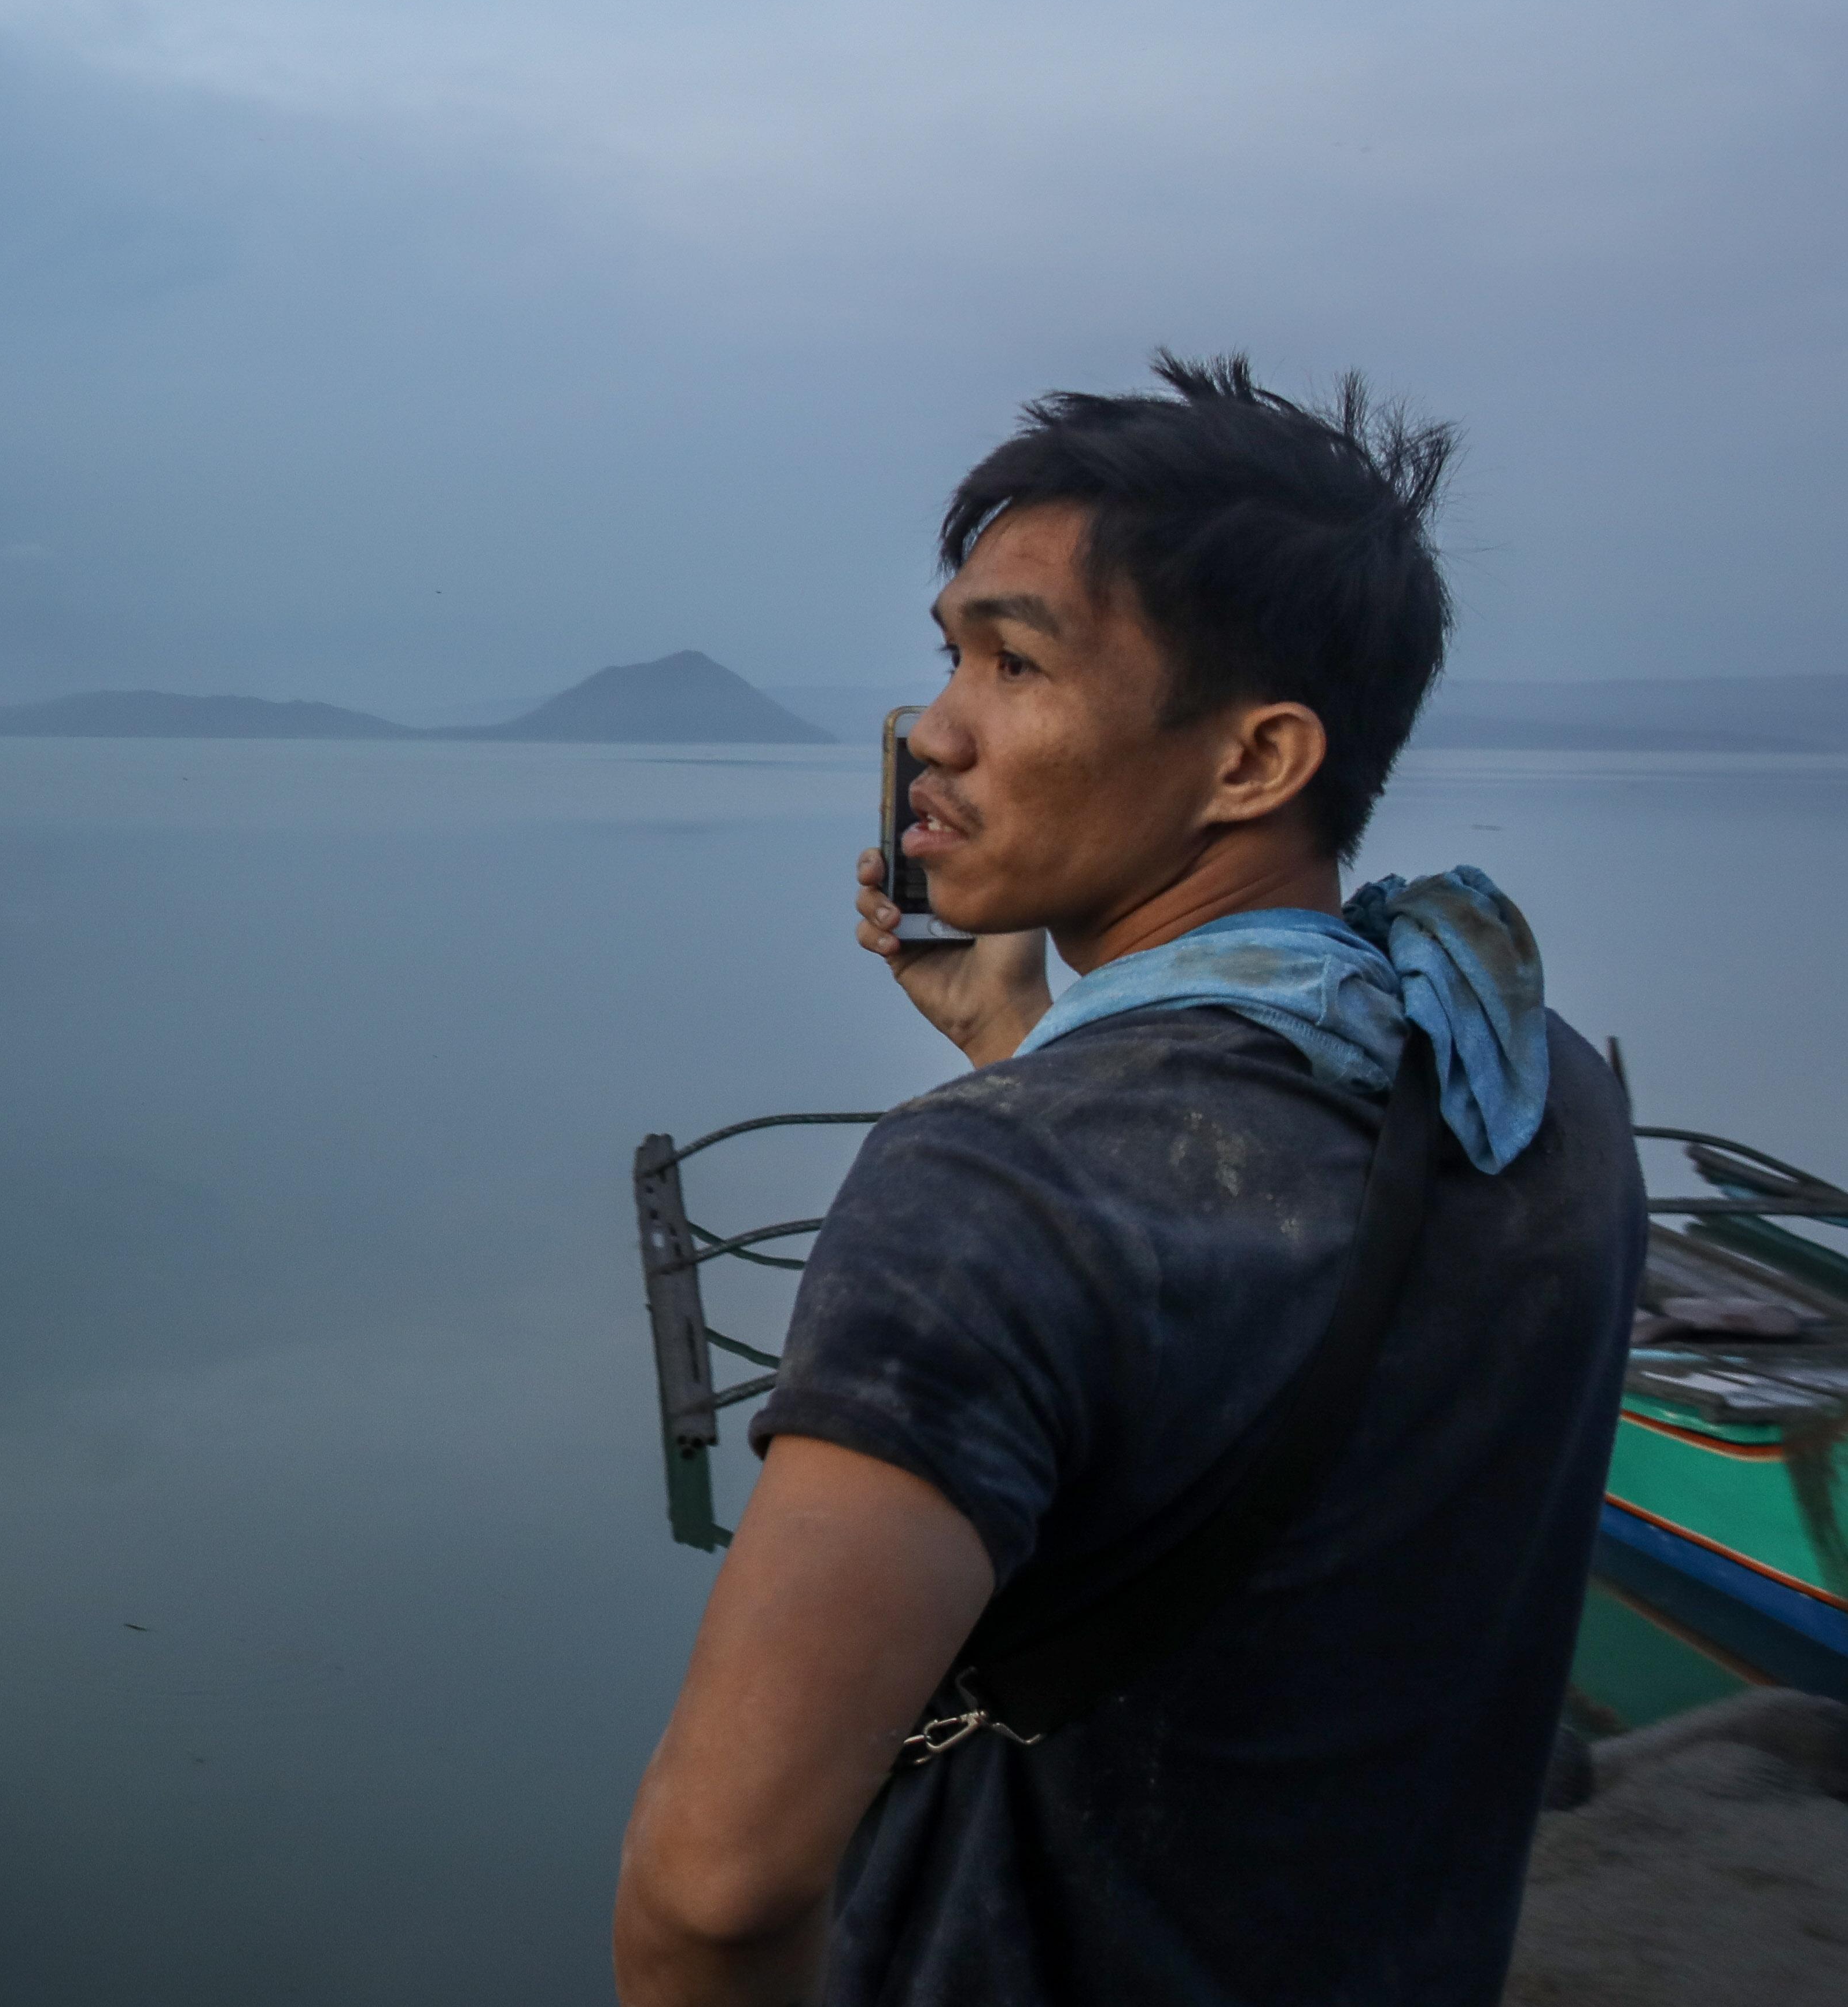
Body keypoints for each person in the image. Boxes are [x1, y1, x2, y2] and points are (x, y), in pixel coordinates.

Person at [610, 355, 1644, 2006]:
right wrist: (1026, 1039)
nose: (935, 729)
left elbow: (715, 1891)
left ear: (1254, 760)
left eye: (1015, 661)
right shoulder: (1541, 1086)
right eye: (947, 652)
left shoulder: (979, 1198)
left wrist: (1019, 1101)